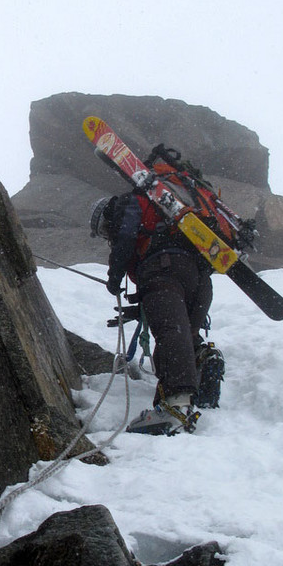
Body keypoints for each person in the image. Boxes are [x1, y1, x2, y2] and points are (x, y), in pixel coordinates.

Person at [92, 182, 214, 436]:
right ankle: (203, 363)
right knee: (184, 334)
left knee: (170, 332)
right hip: (198, 277)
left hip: (162, 268)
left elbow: (125, 238)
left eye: (104, 230)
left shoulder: (128, 203)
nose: (107, 236)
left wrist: (114, 278)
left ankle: (176, 408)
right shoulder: (165, 217)